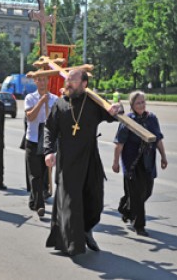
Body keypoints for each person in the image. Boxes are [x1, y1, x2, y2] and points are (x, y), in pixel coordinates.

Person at [44, 69, 120, 256]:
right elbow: (49, 129)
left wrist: (118, 107)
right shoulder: (60, 104)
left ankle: (86, 229)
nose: (68, 83)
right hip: (67, 161)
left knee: (95, 200)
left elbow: (112, 115)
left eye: (72, 80)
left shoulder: (93, 103)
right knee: (71, 203)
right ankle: (73, 244)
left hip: (89, 158)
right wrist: (48, 151)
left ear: (84, 83)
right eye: (67, 80)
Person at [112, 90, 168, 236]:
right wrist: (116, 163)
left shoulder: (152, 118)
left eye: (143, 102)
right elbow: (119, 144)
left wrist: (163, 156)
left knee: (147, 191)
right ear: (132, 105)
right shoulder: (128, 120)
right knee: (136, 194)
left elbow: (158, 139)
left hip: (148, 160)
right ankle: (139, 226)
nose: (141, 105)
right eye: (138, 103)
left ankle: (126, 208)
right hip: (132, 162)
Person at [24, 75, 57, 217]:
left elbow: (55, 120)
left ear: (48, 81)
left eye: (45, 80)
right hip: (32, 139)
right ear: (35, 81)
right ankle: (40, 205)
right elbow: (30, 117)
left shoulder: (55, 99)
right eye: (39, 80)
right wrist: (41, 102)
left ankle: (34, 200)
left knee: (43, 173)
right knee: (34, 174)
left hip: (47, 141)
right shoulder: (30, 97)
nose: (42, 82)